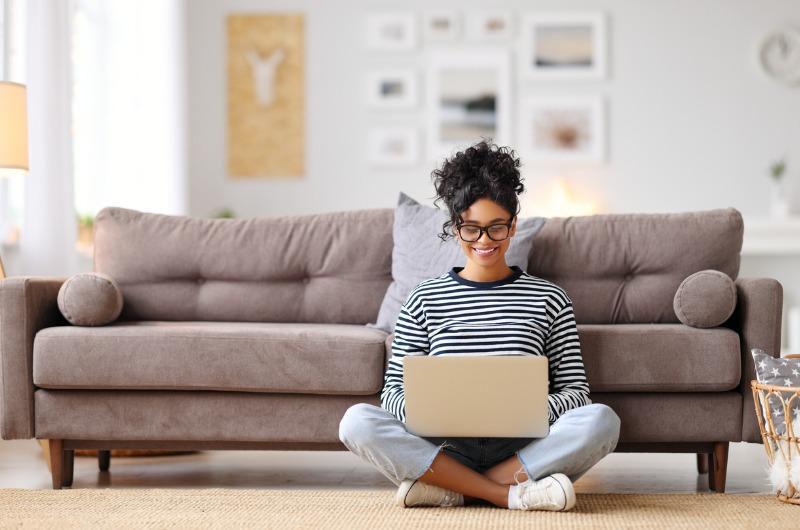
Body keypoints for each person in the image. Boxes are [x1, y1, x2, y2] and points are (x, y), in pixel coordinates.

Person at [339, 139, 621, 511]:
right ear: (456, 228)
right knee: (356, 422)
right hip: (443, 446)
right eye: (471, 229)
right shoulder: (423, 299)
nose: (484, 241)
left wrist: (529, 411)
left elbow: (576, 392)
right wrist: (430, 413)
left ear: (513, 226)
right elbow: (392, 394)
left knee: (602, 421)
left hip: (523, 446)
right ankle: (508, 494)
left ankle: (450, 488)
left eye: (496, 228)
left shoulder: (550, 298)